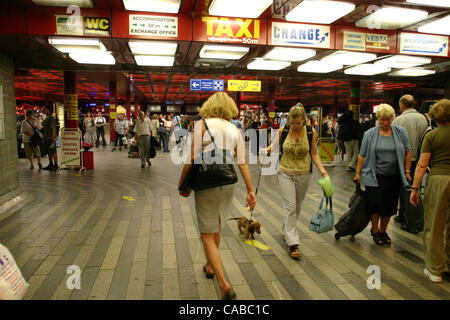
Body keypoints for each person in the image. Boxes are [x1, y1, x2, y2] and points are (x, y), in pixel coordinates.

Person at [178, 92, 256, 300]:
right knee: (216, 222)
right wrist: (250, 191)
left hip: (207, 183)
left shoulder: (201, 125)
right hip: (228, 183)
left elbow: (192, 158)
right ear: (230, 108)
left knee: (206, 234)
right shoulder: (235, 129)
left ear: (209, 107)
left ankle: (224, 284)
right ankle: (210, 265)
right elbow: (242, 164)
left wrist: (181, 183)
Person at [263, 104, 329, 259]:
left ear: (304, 121)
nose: (295, 126)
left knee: (297, 206)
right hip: (285, 172)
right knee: (290, 207)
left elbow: (314, 154)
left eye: (298, 123)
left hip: (304, 173)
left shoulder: (310, 132)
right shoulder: (283, 131)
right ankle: (293, 244)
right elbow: (274, 146)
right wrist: (267, 150)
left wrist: (323, 172)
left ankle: (287, 228)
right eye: (292, 123)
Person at [354, 104, 412, 246]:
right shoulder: (370, 134)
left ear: (393, 118)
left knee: (390, 205)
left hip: (394, 175)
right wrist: (357, 173)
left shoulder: (400, 132)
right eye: (382, 120)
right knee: (374, 204)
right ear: (377, 119)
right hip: (373, 175)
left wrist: (407, 171)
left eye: (388, 120)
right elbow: (362, 155)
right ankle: (375, 230)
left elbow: (408, 152)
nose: (385, 123)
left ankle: (383, 230)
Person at [410, 99, 450, 283]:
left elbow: (422, 164)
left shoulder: (432, 136)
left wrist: (415, 188)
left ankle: (435, 270)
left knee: (434, 224)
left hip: (438, 180)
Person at [392, 94, 429, 224]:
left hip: (402, 159)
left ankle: (403, 214)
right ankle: (415, 213)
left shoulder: (398, 120)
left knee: (403, 187)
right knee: (415, 186)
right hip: (419, 159)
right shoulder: (423, 119)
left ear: (402, 105)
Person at [41, 106, 58, 170]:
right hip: (47, 137)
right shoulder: (46, 118)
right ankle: (51, 163)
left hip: (50, 138)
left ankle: (55, 164)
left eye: (44, 109)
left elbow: (53, 128)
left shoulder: (51, 118)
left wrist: (53, 137)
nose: (43, 111)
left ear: (48, 110)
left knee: (53, 151)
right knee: (49, 151)